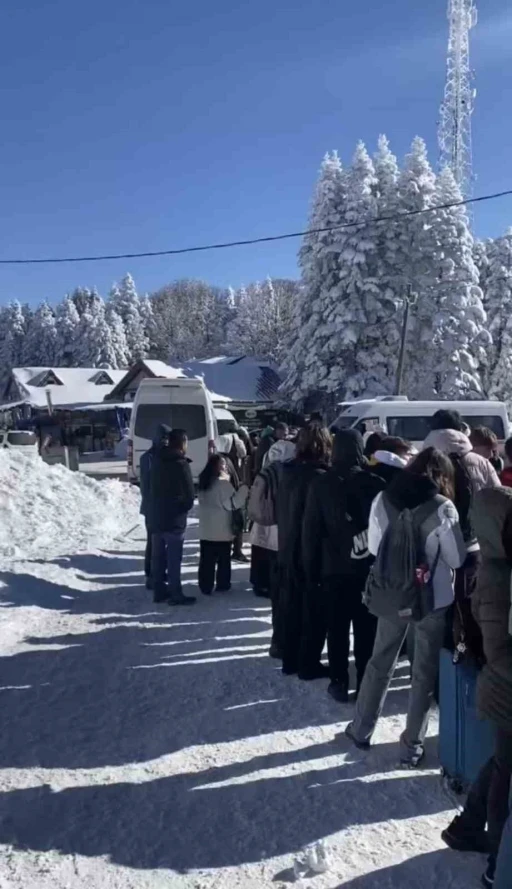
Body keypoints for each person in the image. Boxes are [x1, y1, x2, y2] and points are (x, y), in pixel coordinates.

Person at [346, 448, 466, 766]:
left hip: (392, 593)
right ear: (442, 475)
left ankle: (361, 728)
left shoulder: (385, 498)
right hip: (433, 599)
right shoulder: (443, 508)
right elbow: (456, 558)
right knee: (423, 672)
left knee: (380, 661)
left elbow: (373, 546)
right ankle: (411, 745)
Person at [442, 486, 512, 888]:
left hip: (500, 689)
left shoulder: (498, 566)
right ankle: (497, 861)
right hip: (504, 689)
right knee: (506, 775)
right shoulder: (496, 577)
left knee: (503, 762)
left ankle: (467, 825)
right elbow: (502, 652)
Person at [302, 430, 385, 702]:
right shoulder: (375, 483)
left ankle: (338, 681)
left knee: (336, 629)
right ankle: (365, 683)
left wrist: (310, 570)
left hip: (332, 568)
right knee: (366, 630)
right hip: (367, 568)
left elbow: (311, 531)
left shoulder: (321, 484)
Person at [423, 409, 501, 663]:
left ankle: (437, 669)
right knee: (469, 608)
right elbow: (498, 501)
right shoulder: (479, 462)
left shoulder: (423, 462)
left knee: (437, 609)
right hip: (474, 547)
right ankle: (466, 660)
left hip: (433, 550)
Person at [276, 423, 332, 679]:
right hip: (312, 549)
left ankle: (290, 659)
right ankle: (308, 663)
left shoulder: (287, 472)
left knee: (291, 606)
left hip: (287, 545)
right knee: (313, 610)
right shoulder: (321, 477)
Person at [248, 439, 296, 657]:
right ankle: (286, 640)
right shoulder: (288, 475)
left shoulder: (265, 472)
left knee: (277, 593)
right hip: (283, 538)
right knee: (287, 593)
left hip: (262, 533)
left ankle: (277, 640)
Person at [149, 428, 196, 605]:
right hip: (175, 517)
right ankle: (176, 593)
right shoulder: (180, 463)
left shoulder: (157, 459)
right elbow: (190, 493)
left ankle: (159, 591)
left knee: (158, 556)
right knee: (174, 558)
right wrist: (183, 508)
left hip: (157, 515)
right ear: (183, 442)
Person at [197, 454, 249, 595]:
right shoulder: (223, 484)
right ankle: (223, 584)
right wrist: (244, 490)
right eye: (223, 464)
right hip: (221, 529)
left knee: (206, 560)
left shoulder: (203, 483)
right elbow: (232, 504)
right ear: (218, 467)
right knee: (223, 559)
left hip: (206, 529)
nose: (226, 467)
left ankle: (205, 585)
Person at [139, 424, 170, 590]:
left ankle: (158, 571)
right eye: (164, 438)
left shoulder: (155, 456)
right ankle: (151, 574)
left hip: (157, 506)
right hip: (153, 507)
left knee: (160, 542)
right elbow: (148, 486)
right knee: (153, 542)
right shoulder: (150, 458)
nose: (166, 441)